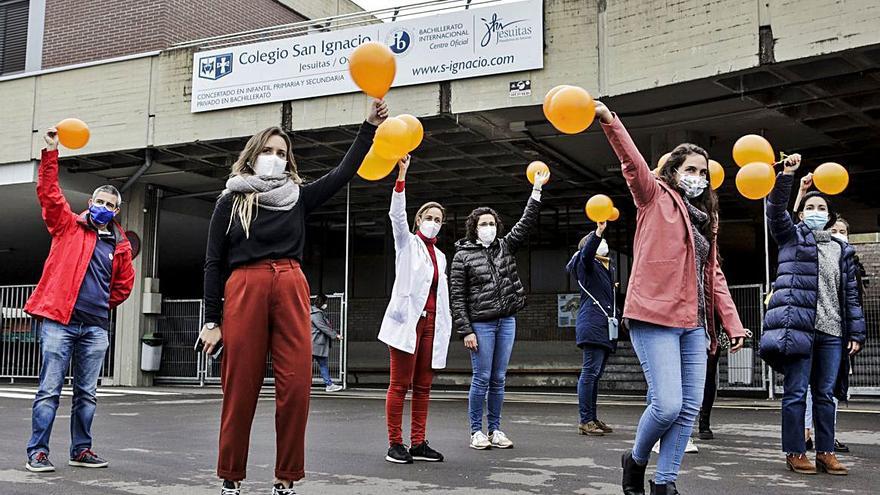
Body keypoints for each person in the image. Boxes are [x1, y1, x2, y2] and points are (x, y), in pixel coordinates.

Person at [199, 99, 387, 495]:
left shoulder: (297, 196)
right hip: (244, 287)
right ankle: (231, 477)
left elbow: (342, 173)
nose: (274, 158)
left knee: (297, 386)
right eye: (267, 151)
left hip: (290, 283)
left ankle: (286, 478)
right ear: (252, 156)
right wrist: (212, 321)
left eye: (281, 153)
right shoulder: (230, 201)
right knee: (239, 387)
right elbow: (213, 264)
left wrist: (367, 127)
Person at [593, 102, 747, 495]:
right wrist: (612, 120)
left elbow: (712, 274)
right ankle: (637, 460)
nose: (697, 177)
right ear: (673, 172)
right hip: (654, 316)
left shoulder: (705, 219)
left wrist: (731, 322)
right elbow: (632, 164)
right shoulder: (653, 197)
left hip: (694, 324)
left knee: (689, 408)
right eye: (690, 169)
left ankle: (665, 484)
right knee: (667, 405)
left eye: (703, 172)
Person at [24, 127, 135, 473]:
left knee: (87, 394)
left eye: (110, 205)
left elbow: (123, 287)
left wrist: (100, 307)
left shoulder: (119, 246)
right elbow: (49, 193)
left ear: (116, 212)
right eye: (99, 202)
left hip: (95, 328)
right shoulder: (67, 226)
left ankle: (81, 450)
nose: (104, 207)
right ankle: (38, 452)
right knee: (49, 391)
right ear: (90, 204)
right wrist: (51, 153)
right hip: (60, 322)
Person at [763, 154, 865, 476]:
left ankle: (826, 452)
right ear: (802, 213)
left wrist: (856, 332)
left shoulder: (842, 249)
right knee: (796, 392)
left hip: (833, 333)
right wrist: (788, 177)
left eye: (822, 209)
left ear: (830, 215)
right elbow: (776, 214)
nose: (816, 213)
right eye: (810, 208)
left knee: (825, 394)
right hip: (801, 330)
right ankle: (795, 452)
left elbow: (849, 293)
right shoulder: (793, 239)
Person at [451, 170, 549, 450]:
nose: (489, 227)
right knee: (481, 377)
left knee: (499, 378)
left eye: (492, 223)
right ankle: (475, 431)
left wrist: (536, 190)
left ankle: (494, 429)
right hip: (480, 325)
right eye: (483, 224)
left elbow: (526, 223)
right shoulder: (462, 256)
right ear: (474, 227)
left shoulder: (504, 247)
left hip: (506, 320)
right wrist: (466, 330)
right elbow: (457, 298)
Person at [379, 155, 452, 464]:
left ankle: (418, 442)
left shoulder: (442, 256)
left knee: (423, 386)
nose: (433, 222)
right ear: (418, 220)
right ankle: (395, 443)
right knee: (400, 384)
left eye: (438, 219)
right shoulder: (407, 243)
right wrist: (402, 176)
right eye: (428, 217)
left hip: (432, 324)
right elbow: (396, 214)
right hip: (409, 322)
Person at [565, 221, 618, 436]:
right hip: (593, 326)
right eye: (599, 241)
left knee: (595, 375)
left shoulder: (606, 267)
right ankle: (585, 420)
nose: (603, 242)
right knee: (589, 373)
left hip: (603, 327)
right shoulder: (585, 263)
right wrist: (597, 232)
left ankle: (592, 418)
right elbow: (586, 253)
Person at [310, 293, 343, 393]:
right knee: (323, 364)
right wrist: (335, 335)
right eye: (325, 302)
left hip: (312, 342)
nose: (326, 304)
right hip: (317, 343)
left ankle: (304, 385)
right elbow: (322, 327)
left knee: (309, 366)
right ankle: (329, 384)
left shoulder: (312, 312)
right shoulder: (317, 314)